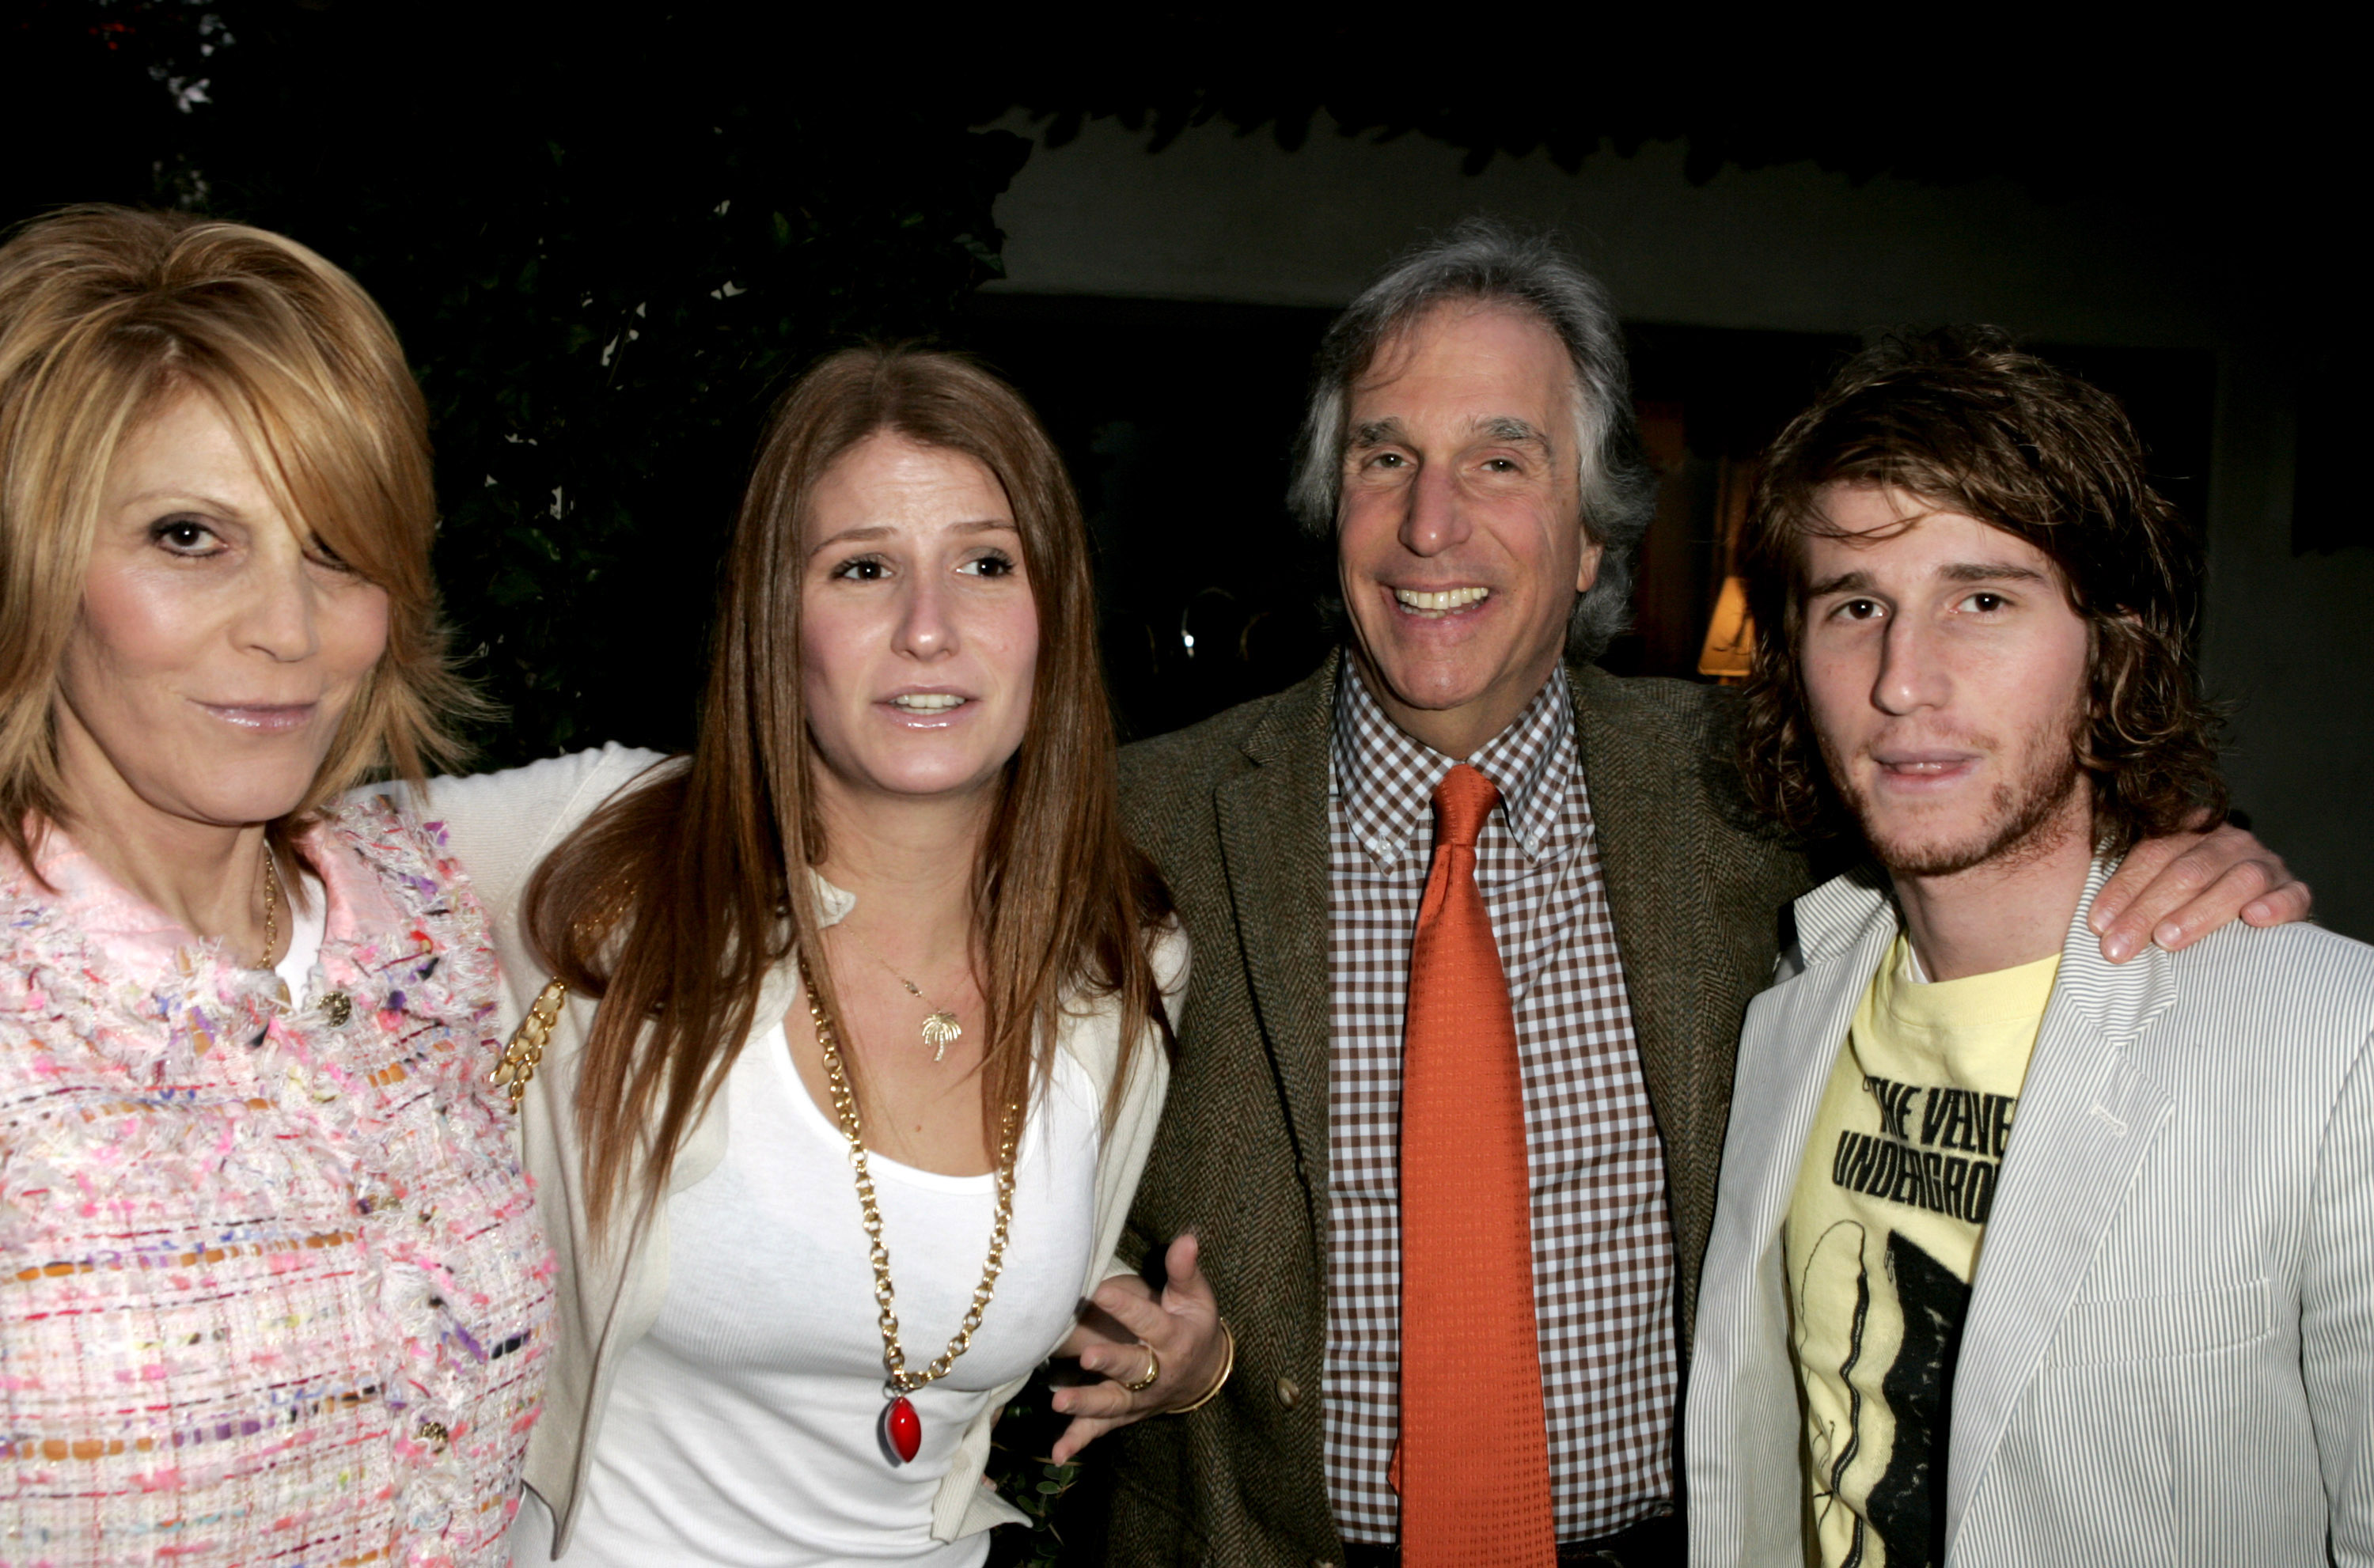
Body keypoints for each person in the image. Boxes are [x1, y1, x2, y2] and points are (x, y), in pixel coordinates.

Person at [1080, 224, 2312, 1567]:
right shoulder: (1139, 821)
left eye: (1502, 459)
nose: (1432, 523)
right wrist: (1129, 1327)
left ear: (1596, 539)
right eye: (1387, 459)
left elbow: (1998, 811)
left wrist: (2178, 843)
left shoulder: (1760, 782)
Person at [401, 347, 1213, 1567]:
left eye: (986, 564)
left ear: (1056, 615)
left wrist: (1160, 1347)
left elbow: (970, 1243)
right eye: (864, 567)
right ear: (776, 617)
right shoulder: (610, 853)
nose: (929, 628)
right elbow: (242, 863)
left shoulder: (1119, 959)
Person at [1686, 329, 2374, 1565]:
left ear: (2112, 641)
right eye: (1856, 606)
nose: (1904, 680)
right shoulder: (1786, 1006)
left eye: (1984, 599)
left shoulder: (2335, 1046)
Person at [0, 206, 552, 1563]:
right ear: (34, 558)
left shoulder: (417, 919)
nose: (291, 630)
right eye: (191, 536)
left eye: (336, 547)